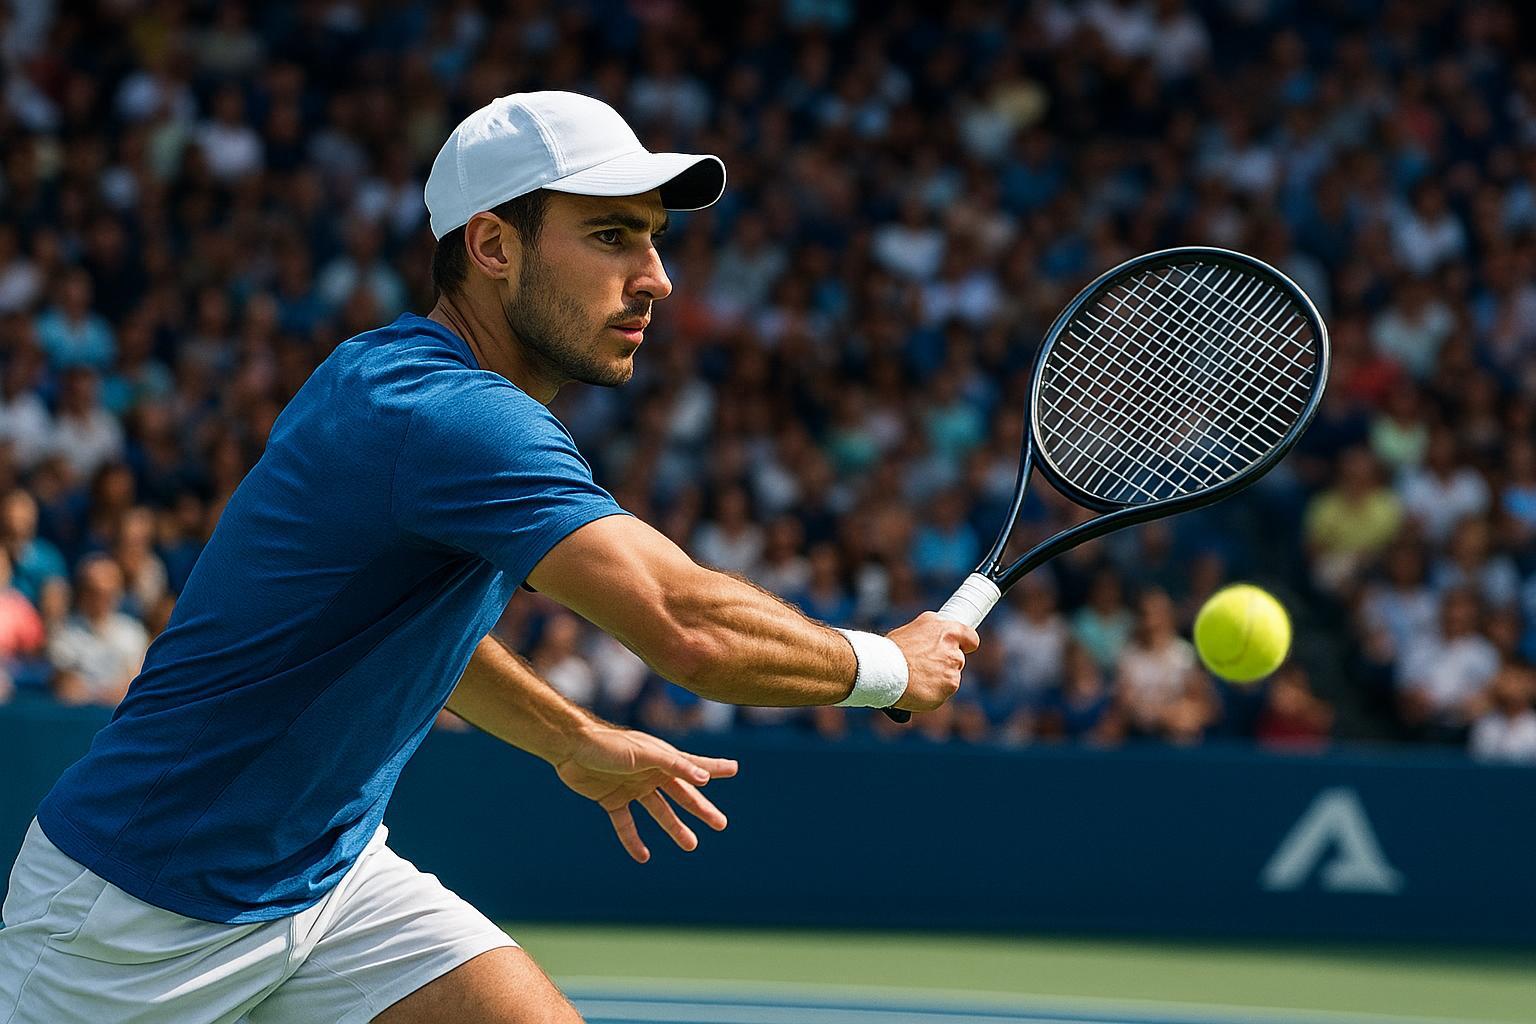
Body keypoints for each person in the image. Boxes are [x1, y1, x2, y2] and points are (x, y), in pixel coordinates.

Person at [0, 91, 976, 1024]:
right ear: (494, 247)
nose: (656, 276)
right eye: (610, 236)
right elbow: (690, 629)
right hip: (128, 926)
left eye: (654, 237)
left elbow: (411, 637)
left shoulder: (386, 378)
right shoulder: (455, 418)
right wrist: (890, 667)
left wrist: (569, 739)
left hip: (329, 883)